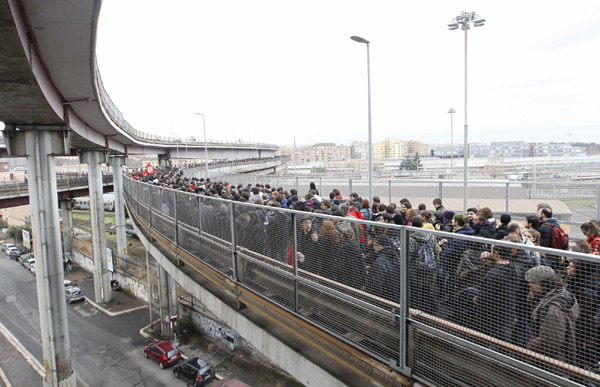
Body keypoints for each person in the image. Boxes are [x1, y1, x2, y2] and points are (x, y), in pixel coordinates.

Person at [525, 266, 579, 364]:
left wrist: (529, 347)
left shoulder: (554, 310)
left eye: (533, 282)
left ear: (544, 284)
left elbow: (550, 342)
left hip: (553, 363)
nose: (529, 285)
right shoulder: (560, 294)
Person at [366, 235, 401, 303]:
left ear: (382, 247)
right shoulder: (396, 258)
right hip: (396, 298)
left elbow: (376, 287)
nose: (373, 247)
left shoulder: (379, 263)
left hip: (384, 300)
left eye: (376, 245)